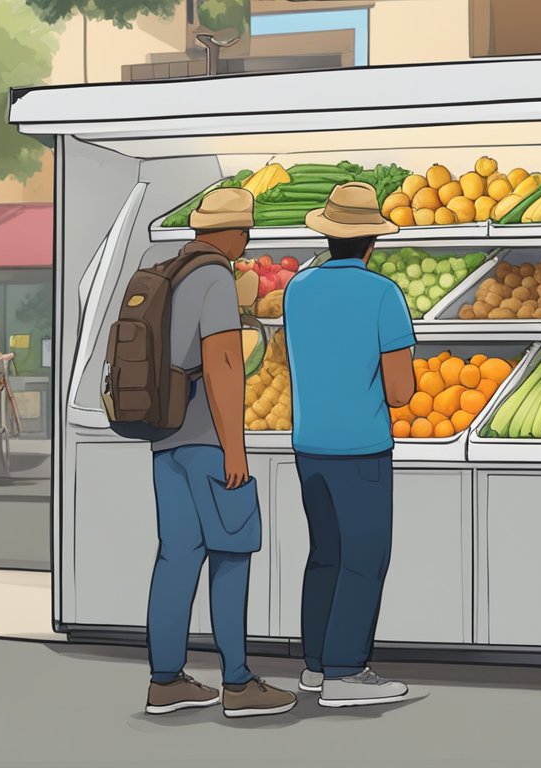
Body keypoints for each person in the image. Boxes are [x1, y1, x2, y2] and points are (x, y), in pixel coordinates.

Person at [143, 187, 297, 719]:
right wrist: (235, 448)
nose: (247, 239)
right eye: (245, 231)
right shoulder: (213, 278)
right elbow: (224, 363)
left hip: (168, 439)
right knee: (232, 553)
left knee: (176, 555)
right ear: (232, 233)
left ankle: (165, 681)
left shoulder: (172, 272)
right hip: (209, 440)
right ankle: (237, 683)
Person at [283, 182, 418, 708]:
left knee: (325, 556)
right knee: (365, 557)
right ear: (371, 244)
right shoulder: (383, 294)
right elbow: (401, 391)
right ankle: (346, 673)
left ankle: (315, 667)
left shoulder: (297, 288)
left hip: (309, 446)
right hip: (360, 448)